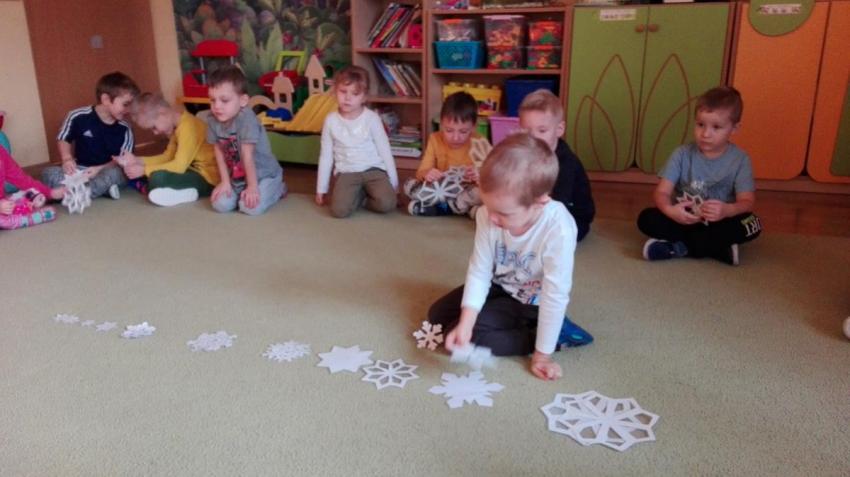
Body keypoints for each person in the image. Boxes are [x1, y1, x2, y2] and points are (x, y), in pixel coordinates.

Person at [428, 133, 593, 381]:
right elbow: (480, 271)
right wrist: (466, 321)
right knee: (437, 316)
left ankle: (551, 335)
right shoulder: (488, 215)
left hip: (530, 301)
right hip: (500, 284)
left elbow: (555, 294)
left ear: (540, 202)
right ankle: (483, 321)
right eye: (488, 206)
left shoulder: (558, 228)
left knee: (473, 337)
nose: (492, 218)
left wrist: (542, 355)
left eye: (503, 213)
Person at [637, 86, 761, 265]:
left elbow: (747, 202)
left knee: (753, 223)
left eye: (716, 127)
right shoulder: (681, 154)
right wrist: (671, 211)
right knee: (646, 218)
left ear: (734, 128)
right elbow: (661, 193)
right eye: (700, 124)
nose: (705, 134)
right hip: (685, 219)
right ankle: (717, 248)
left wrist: (727, 210)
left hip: (720, 221)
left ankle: (679, 247)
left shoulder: (740, 159)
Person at [315, 66, 398, 218]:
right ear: (335, 91)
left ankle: (366, 199)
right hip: (347, 171)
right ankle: (358, 195)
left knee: (387, 203)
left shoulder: (372, 118)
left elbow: (385, 151)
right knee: (339, 211)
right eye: (343, 91)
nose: (348, 98)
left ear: (364, 97)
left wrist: (394, 182)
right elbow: (326, 156)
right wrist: (322, 188)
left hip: (374, 169)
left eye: (355, 93)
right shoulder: (331, 121)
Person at [42, 71, 139, 200]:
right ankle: (101, 191)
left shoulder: (125, 128)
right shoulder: (77, 116)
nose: (129, 110)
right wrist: (67, 159)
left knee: (116, 174)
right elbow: (64, 138)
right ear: (106, 99)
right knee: (48, 172)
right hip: (80, 171)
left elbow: (124, 160)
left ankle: (77, 194)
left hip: (106, 169)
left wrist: (99, 169)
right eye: (125, 104)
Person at [205, 65, 286, 215]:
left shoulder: (247, 119)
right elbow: (218, 150)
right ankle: (242, 192)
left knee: (250, 207)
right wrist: (225, 182)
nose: (217, 106)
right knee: (220, 204)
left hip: (263, 176)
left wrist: (253, 187)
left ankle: (278, 187)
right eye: (212, 100)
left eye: (224, 100)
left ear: (243, 100)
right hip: (238, 178)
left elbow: (247, 155)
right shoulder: (212, 119)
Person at [116, 93, 220, 207]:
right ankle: (179, 192)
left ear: (162, 113)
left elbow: (178, 166)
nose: (155, 133)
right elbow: (167, 157)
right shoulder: (177, 126)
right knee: (155, 176)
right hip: (191, 170)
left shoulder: (188, 127)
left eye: (154, 127)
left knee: (157, 178)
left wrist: (144, 170)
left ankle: (190, 193)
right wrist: (137, 160)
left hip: (207, 178)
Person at [518, 89, 595, 241]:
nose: (533, 138)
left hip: (572, 216)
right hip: (540, 205)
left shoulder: (566, 163)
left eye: (542, 131)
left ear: (559, 129)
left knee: (551, 236)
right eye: (526, 131)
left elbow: (559, 204)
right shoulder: (527, 153)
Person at [404, 91, 491, 217]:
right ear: (441, 124)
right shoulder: (434, 139)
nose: (455, 137)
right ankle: (465, 209)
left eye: (463, 131)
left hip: (466, 191)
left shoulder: (480, 142)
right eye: (449, 130)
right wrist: (427, 174)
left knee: (482, 194)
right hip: (441, 189)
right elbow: (420, 173)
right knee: (409, 185)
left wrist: (479, 176)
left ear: (473, 127)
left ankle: (443, 208)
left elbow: (492, 180)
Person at [0, 145, 63, 229]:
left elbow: (21, 179)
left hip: (3, 203)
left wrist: (50, 193)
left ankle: (23, 212)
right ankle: (23, 220)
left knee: (25, 197)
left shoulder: (1, 152)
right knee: (2, 220)